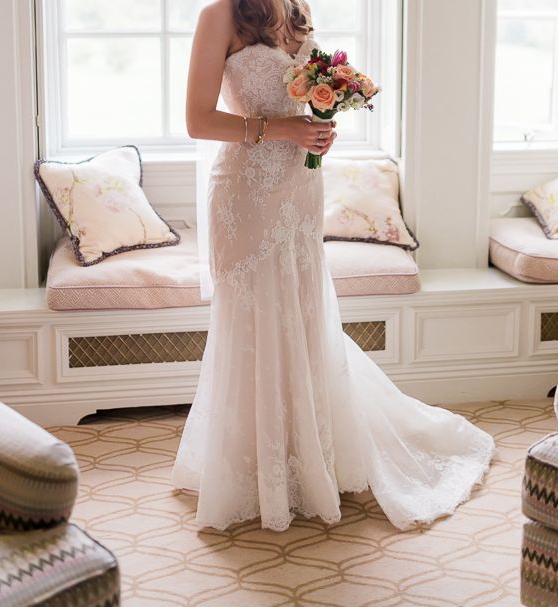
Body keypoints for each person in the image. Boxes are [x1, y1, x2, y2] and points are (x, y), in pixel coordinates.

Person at [171, 0, 497, 532]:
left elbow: (301, 108)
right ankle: (255, 470)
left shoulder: (298, 11)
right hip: (245, 195)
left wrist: (319, 128)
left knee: (299, 314)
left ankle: (306, 456)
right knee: (253, 320)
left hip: (299, 186)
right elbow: (197, 120)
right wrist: (286, 130)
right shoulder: (220, 15)